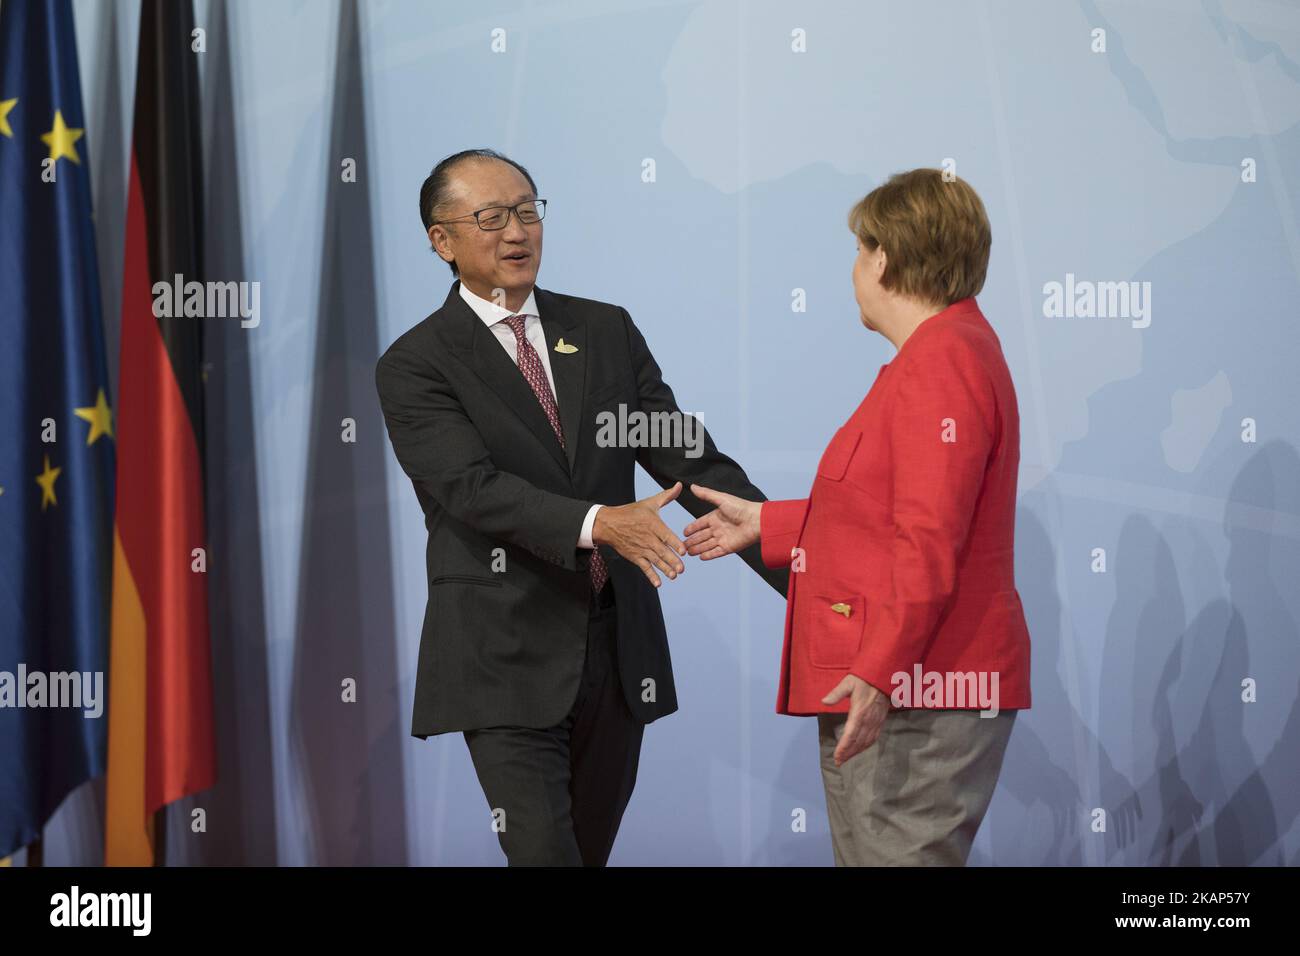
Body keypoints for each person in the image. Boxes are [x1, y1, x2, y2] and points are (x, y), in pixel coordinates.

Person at [375, 148, 787, 866]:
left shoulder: (603, 331)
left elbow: (689, 459)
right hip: (503, 657)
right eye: (491, 217)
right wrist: (601, 524)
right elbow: (472, 489)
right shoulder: (417, 363)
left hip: (615, 651)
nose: (516, 232)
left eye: (528, 211)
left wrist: (803, 561)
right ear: (441, 241)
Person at [684, 168, 1031, 866]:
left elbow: (930, 538)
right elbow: (889, 509)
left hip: (916, 689)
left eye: (859, 248)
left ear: (884, 258)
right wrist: (774, 525)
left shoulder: (942, 363)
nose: (854, 268)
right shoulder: (940, 355)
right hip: (906, 681)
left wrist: (880, 672)